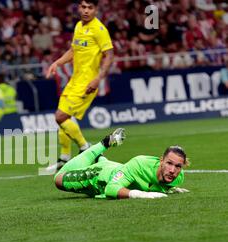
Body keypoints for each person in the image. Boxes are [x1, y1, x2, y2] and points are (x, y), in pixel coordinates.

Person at [46, 0, 114, 172]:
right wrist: (57, 63)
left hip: (87, 83)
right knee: (63, 120)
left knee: (61, 116)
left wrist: (98, 78)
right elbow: (73, 51)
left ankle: (86, 148)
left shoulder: (99, 30)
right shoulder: (78, 26)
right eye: (83, 7)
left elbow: (109, 55)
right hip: (74, 81)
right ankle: (64, 158)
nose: (86, 11)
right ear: (78, 8)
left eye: (90, 8)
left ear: (96, 10)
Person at [54, 128, 190, 199]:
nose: (173, 170)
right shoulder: (140, 164)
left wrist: (169, 189)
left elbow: (154, 184)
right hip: (98, 177)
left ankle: (100, 158)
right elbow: (111, 189)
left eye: (178, 166)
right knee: (59, 180)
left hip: (117, 168)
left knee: (107, 164)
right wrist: (140, 194)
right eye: (169, 163)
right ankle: (103, 144)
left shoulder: (179, 177)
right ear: (161, 161)